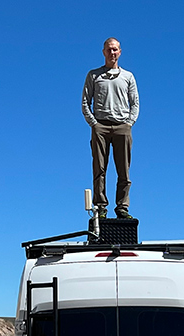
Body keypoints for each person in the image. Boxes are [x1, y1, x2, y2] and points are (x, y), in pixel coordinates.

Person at [82, 37, 139, 219]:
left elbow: (135, 103)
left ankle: (122, 207)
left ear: (120, 52)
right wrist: (94, 123)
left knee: (124, 169)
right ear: (103, 52)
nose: (112, 53)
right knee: (99, 168)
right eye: (108, 49)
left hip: (122, 126)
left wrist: (129, 122)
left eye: (115, 49)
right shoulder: (94, 75)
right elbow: (85, 102)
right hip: (101, 126)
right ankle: (100, 207)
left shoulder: (128, 76)